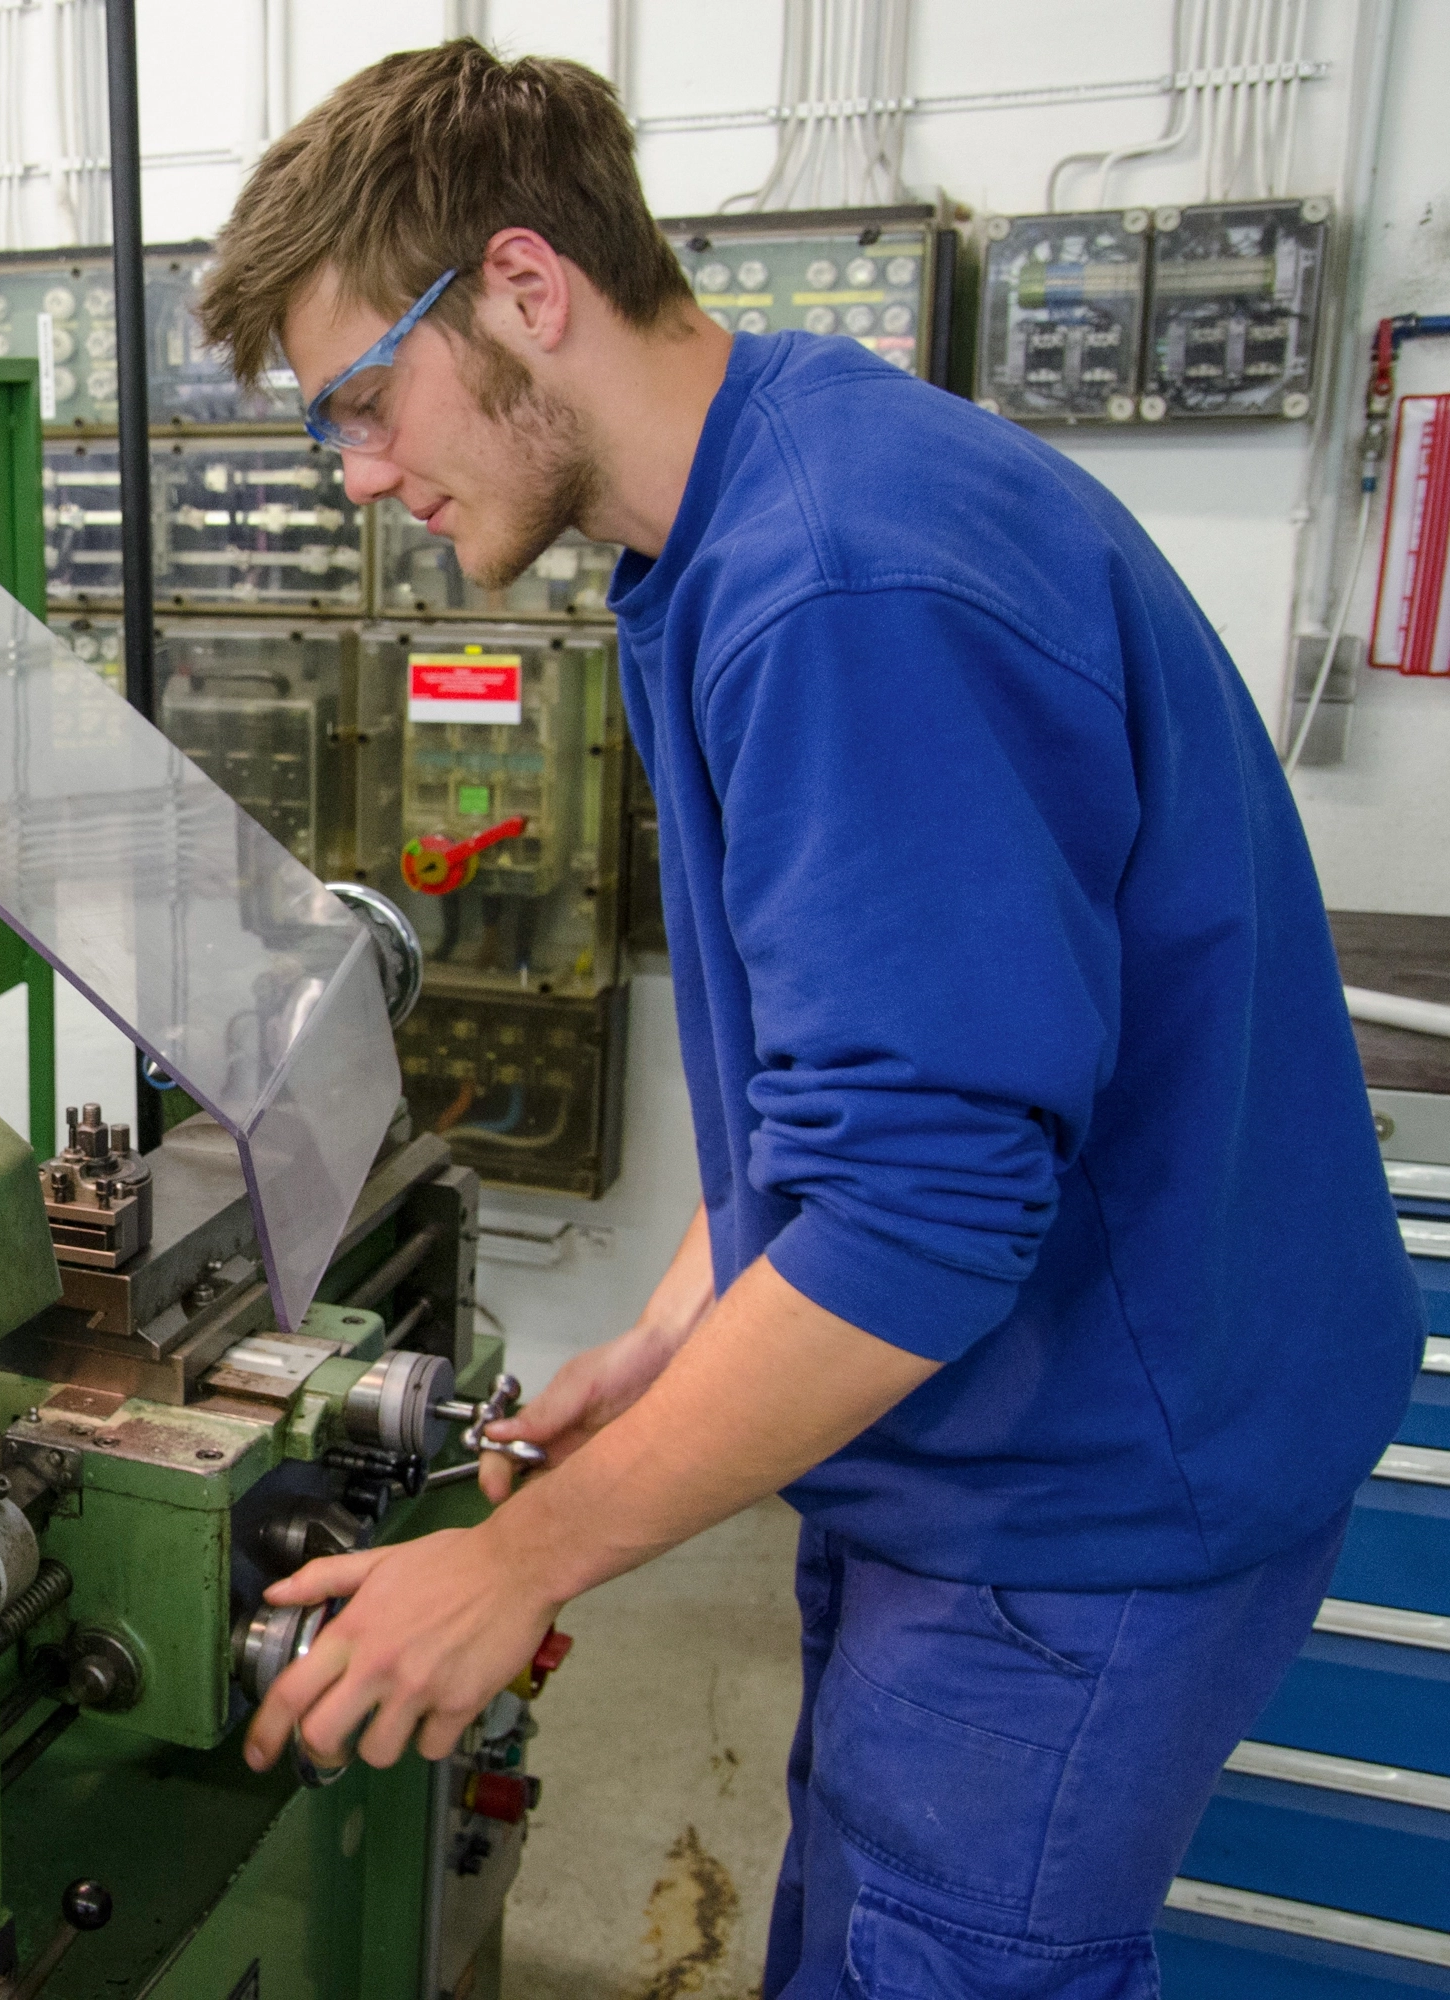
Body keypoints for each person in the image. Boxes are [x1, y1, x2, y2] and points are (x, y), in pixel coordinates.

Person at [196, 39, 1424, 1998]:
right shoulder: (759, 504)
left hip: (1080, 1499)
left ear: (522, 288)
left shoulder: (839, 585)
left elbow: (924, 1211)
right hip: (997, 1448)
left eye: (362, 401)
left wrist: (517, 1564)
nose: (360, 474)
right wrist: (680, 1326)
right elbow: (839, 1083)